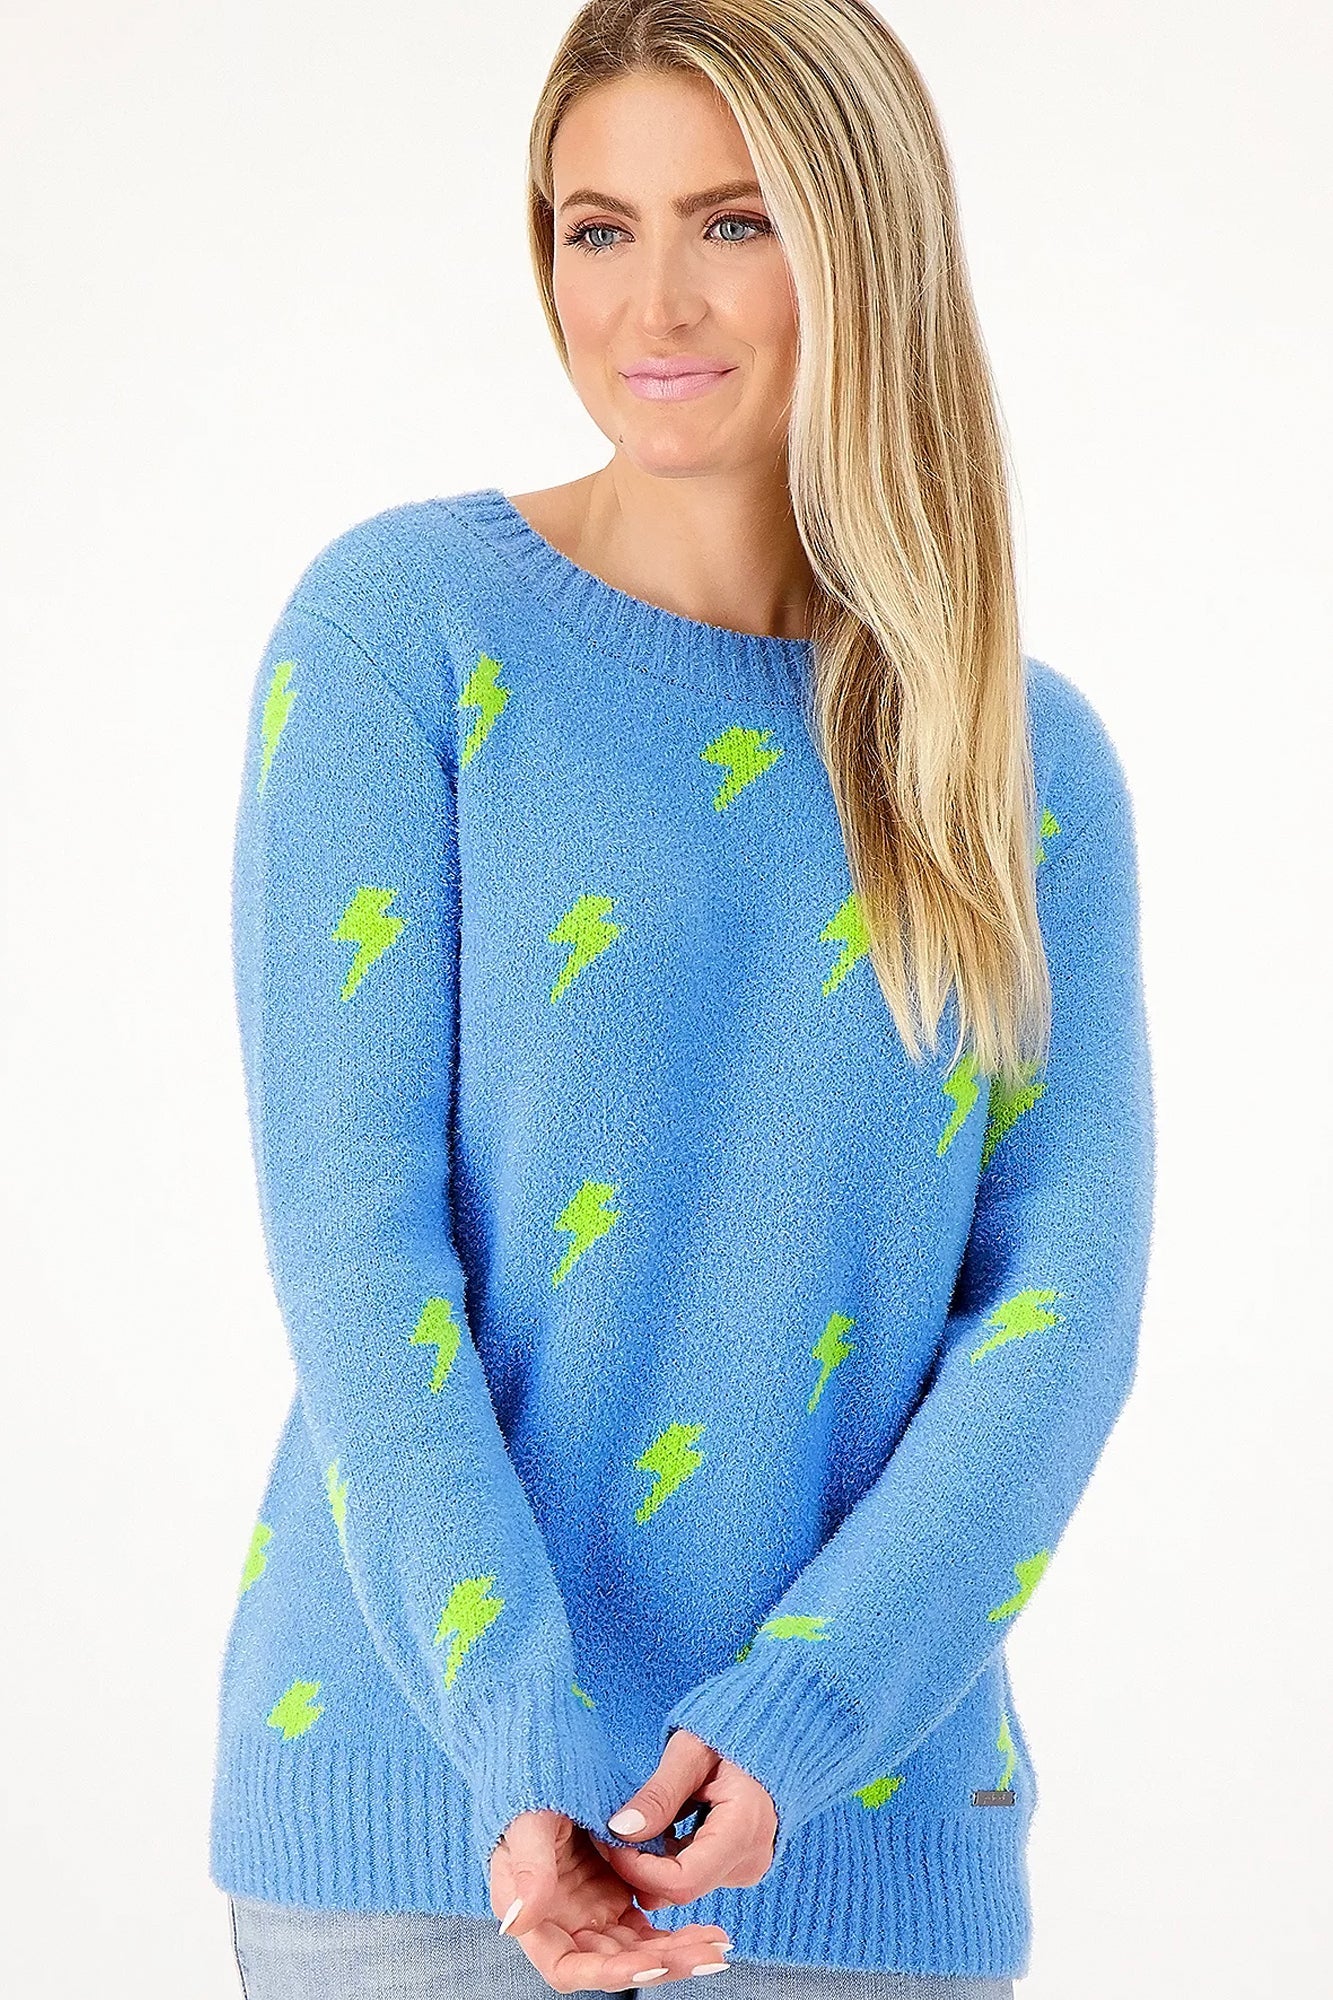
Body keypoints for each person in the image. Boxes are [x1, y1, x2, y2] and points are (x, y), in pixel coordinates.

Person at [208, 2, 1155, 1995]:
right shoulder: (401, 634)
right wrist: (517, 1733)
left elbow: (1053, 1317)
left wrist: (806, 1718)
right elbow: (356, 1246)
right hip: (415, 1825)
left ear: (863, 243)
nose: (652, 302)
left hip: (858, 1844)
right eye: (596, 227)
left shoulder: (1017, 761)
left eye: (733, 223)